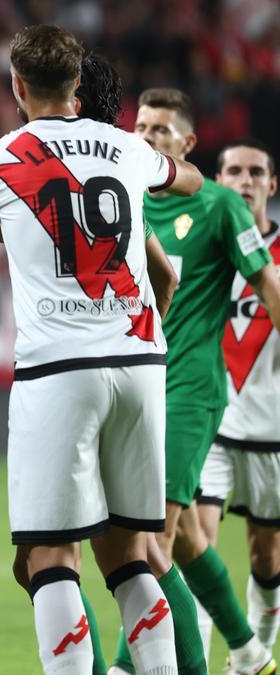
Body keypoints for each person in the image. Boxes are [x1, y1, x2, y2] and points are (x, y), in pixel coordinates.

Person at [0, 25, 204, 674]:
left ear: (18, 86)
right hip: (139, 363)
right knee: (131, 556)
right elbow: (184, 180)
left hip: (60, 370)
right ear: (78, 85)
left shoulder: (4, 155)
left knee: (49, 557)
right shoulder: (126, 148)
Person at [107, 89, 280, 675]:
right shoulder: (118, 201)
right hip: (135, 390)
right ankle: (250, 650)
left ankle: (130, 666)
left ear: (187, 145)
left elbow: (270, 291)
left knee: (149, 541)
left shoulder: (216, 206)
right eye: (143, 128)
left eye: (162, 131)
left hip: (189, 391)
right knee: (177, 543)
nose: (149, 138)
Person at [193, 139, 280, 664]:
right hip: (211, 424)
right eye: (233, 171)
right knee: (195, 544)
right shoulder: (201, 246)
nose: (245, 180)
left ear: (272, 185)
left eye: (256, 172)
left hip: (272, 431)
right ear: (218, 182)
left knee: (264, 555)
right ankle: (197, 661)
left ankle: (256, 653)